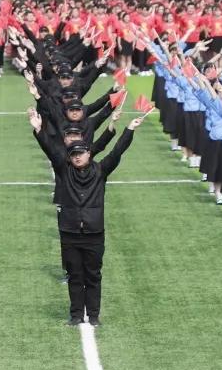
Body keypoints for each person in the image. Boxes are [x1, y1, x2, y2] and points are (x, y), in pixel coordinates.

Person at [31, 108, 142, 326]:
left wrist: (129, 129)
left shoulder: (101, 171)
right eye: (73, 154)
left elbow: (117, 152)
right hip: (70, 232)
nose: (77, 156)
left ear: (88, 154)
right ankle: (75, 315)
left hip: (93, 233)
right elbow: (50, 150)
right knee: (75, 275)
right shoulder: (64, 170)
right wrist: (38, 130)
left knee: (93, 276)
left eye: (80, 153)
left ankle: (93, 315)